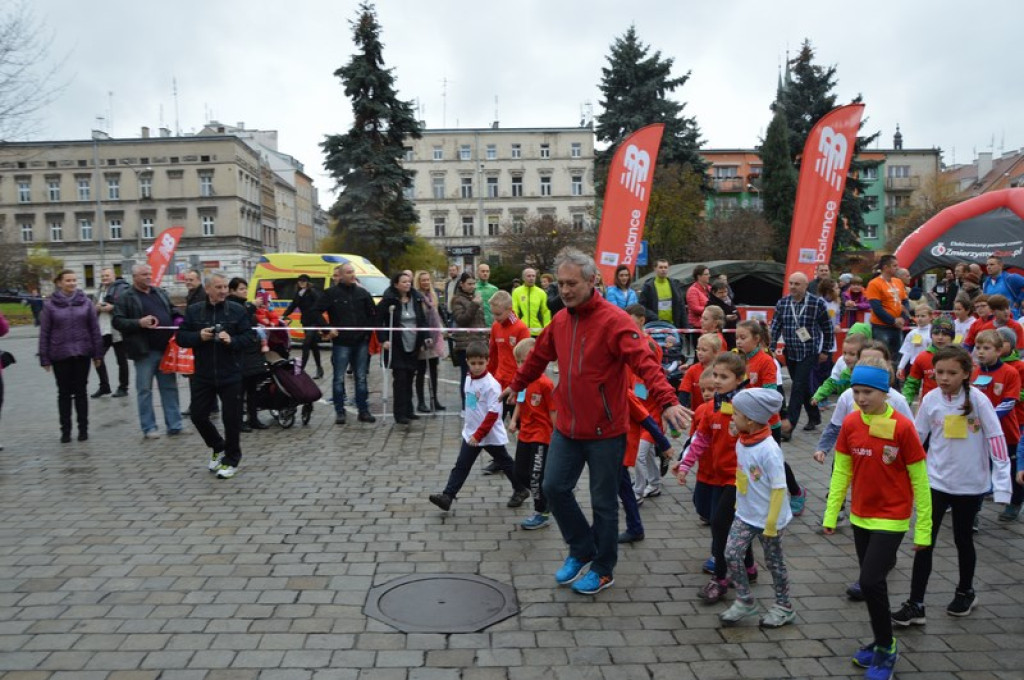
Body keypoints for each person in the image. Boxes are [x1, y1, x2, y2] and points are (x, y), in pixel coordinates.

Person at [503, 248, 690, 596]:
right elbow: (537, 355)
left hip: (606, 431)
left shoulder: (615, 321)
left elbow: (646, 363)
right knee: (553, 488)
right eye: (560, 284)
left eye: (571, 283)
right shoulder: (560, 320)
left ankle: (604, 568)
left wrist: (666, 400)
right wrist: (516, 385)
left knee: (603, 503)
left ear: (592, 281)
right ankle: (581, 548)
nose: (565, 291)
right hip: (568, 428)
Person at [823, 357, 932, 680]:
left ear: (885, 393)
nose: (861, 399)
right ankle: (881, 639)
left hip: (892, 517)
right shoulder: (852, 424)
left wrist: (923, 531)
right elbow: (841, 471)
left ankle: (886, 648)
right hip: (860, 516)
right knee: (874, 586)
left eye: (868, 392)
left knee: (870, 581)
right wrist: (831, 514)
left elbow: (920, 480)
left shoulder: (902, 426)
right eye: (856, 392)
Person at [890, 346, 1011, 627]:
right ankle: (916, 603)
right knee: (924, 542)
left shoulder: (979, 401)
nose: (944, 378)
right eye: (940, 372)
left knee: (962, 539)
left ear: (966, 373)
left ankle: (965, 591)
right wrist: (898, 472)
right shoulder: (931, 399)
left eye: (952, 373)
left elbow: (996, 439)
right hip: (935, 482)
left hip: (969, 486)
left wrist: (1002, 486)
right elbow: (917, 437)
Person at [676, 352, 757, 603]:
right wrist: (686, 464)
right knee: (733, 523)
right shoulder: (711, 409)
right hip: (718, 477)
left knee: (721, 525)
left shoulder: (750, 408)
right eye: (715, 375)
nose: (718, 381)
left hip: (741, 479)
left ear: (740, 379)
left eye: (725, 377)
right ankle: (750, 566)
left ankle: (721, 578)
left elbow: (763, 439)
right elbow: (700, 439)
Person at [718, 388, 796, 629]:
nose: (732, 417)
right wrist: (737, 502)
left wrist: (771, 524)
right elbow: (743, 474)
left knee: (774, 563)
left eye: (737, 413)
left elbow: (780, 488)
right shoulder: (743, 439)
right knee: (731, 553)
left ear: (750, 419)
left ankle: (784, 606)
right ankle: (744, 599)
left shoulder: (769, 450)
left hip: (769, 519)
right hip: (745, 514)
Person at [429, 340, 530, 511]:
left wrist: (479, 434)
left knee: (505, 462)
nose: (476, 367)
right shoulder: (469, 378)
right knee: (462, 464)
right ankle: (448, 496)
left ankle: (521, 488)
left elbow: (493, 414)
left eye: (480, 363)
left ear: (487, 361)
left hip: (488, 434)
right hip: (472, 432)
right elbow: (472, 404)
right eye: (473, 363)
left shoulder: (492, 385)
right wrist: (471, 428)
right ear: (467, 361)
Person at [176, 273, 256, 479]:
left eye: (225, 287)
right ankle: (217, 445)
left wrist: (232, 340)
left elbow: (249, 337)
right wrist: (198, 336)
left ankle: (232, 459)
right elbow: (181, 338)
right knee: (198, 415)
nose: (222, 291)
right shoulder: (194, 311)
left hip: (231, 373)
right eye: (218, 287)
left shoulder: (237, 310)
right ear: (208, 289)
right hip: (203, 374)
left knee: (231, 419)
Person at [112, 264, 184, 439]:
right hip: (144, 351)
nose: (148, 277)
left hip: (165, 348)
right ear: (135, 277)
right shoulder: (126, 296)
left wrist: (179, 319)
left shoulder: (158, 292)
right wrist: (139, 323)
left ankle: (175, 425)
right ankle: (149, 427)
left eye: (149, 274)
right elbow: (118, 321)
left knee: (170, 388)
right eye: (144, 274)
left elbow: (172, 309)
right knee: (145, 390)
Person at [39, 269, 104, 443]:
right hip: (60, 354)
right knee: (64, 393)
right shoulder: (50, 305)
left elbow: (94, 330)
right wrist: (44, 357)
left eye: (74, 280)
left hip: (82, 352)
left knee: (81, 392)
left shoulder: (86, 303)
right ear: (59, 283)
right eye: (68, 280)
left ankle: (83, 429)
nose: (72, 283)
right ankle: (65, 431)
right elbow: (44, 332)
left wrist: (98, 354)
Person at [771, 272, 834, 439]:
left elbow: (827, 329)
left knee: (797, 386)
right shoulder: (783, 303)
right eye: (791, 283)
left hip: (809, 352)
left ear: (806, 286)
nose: (792, 287)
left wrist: (825, 350)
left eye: (797, 284)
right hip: (791, 351)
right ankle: (814, 416)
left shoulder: (816, 303)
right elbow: (776, 327)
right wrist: (770, 347)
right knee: (803, 386)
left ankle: (789, 426)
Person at [314, 263, 376, 425]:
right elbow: (315, 312)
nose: (352, 275)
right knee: (338, 378)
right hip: (341, 342)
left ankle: (363, 410)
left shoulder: (362, 293)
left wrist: (366, 333)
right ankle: (340, 412)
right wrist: (327, 329)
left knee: (361, 378)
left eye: (353, 272)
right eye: (348, 272)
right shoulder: (331, 294)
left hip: (360, 342)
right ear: (340, 275)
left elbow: (372, 314)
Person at [972, 329, 1023, 522]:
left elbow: (1010, 401)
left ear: (999, 350)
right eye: (978, 347)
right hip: (978, 432)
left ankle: (1015, 501)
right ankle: (973, 511)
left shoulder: (1010, 372)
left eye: (987, 348)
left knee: (1009, 468)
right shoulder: (975, 372)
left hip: (1006, 432)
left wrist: (989, 417)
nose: (981, 352)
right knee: (979, 469)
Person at [508, 337, 556, 530]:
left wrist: (557, 435)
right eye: (518, 362)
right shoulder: (522, 382)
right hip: (525, 434)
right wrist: (513, 420)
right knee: (520, 473)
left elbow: (553, 410)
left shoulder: (546, 384)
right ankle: (547, 495)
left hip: (541, 436)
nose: (521, 366)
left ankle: (542, 512)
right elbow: (520, 401)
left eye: (524, 361)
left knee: (535, 476)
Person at [378, 272, 429, 424]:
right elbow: (378, 320)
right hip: (397, 344)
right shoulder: (389, 300)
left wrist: (426, 336)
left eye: (409, 281)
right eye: (404, 282)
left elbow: (422, 320)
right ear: (396, 284)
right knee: (400, 379)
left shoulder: (416, 298)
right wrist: (383, 339)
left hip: (413, 343)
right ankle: (399, 413)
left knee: (409, 377)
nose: (408, 284)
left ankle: (409, 409)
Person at [227, 278, 269, 431]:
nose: (244, 291)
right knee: (240, 390)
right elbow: (239, 318)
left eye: (245, 288)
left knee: (253, 389)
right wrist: (252, 306)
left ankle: (253, 418)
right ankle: (238, 421)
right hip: (241, 352)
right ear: (232, 291)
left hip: (252, 351)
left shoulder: (245, 304)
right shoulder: (232, 305)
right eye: (241, 289)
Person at [92, 268, 129, 398]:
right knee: (97, 357)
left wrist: (112, 307)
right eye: (102, 276)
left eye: (107, 275)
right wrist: (96, 308)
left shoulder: (122, 288)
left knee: (121, 360)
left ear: (114, 276)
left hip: (117, 330)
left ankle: (123, 387)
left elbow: (127, 306)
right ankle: (104, 386)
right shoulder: (99, 290)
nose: (104, 278)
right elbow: (93, 307)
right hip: (103, 329)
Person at [450, 272, 486, 409]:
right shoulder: (457, 300)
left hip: (479, 342)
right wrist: (474, 305)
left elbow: (480, 321)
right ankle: (468, 407)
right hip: (465, 345)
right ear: (462, 284)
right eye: (469, 284)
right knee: (468, 377)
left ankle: (479, 405)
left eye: (473, 283)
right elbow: (461, 319)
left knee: (480, 376)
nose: (472, 286)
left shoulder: (475, 298)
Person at [865, 255, 911, 362]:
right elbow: (877, 308)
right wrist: (893, 320)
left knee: (898, 358)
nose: (897, 268)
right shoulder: (874, 284)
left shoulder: (898, 282)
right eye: (894, 266)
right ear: (886, 267)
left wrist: (903, 318)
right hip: (881, 327)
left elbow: (905, 301)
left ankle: (896, 378)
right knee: (882, 356)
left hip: (897, 327)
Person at [414, 270, 447, 413]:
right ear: (418, 282)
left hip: (434, 338)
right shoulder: (416, 297)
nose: (426, 282)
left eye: (428, 280)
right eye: (423, 280)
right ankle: (421, 401)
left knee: (434, 371)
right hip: (422, 338)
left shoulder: (433, 296)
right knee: (421, 371)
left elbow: (438, 314)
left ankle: (434, 399)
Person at [282, 274, 324, 379]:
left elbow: (319, 304)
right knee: (314, 346)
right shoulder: (298, 293)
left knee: (306, 344)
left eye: (304, 281)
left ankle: (301, 369)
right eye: (300, 281)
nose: (301, 283)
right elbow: (293, 305)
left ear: (308, 282)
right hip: (306, 322)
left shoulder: (312, 292)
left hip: (314, 322)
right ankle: (319, 368)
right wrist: (284, 315)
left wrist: (315, 314)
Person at [679, 333, 721, 409]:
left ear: (715, 352)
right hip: (697, 412)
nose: (700, 353)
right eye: (698, 349)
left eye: (704, 350)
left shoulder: (722, 369)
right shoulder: (692, 370)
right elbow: (683, 393)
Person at [639, 259, 686, 328]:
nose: (663, 270)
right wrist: (653, 316)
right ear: (655, 269)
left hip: (673, 325)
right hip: (654, 325)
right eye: (660, 267)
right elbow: (642, 306)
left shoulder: (675, 284)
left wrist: (685, 325)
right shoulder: (648, 286)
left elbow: (681, 306)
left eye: (665, 267)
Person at [896, 305, 934, 380]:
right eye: (917, 316)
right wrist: (900, 367)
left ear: (930, 317)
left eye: (923, 316)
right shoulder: (912, 333)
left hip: (930, 366)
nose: (920, 319)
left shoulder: (934, 332)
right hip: (914, 365)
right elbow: (907, 352)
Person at [511, 268, 551, 337]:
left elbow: (546, 312)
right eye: (529, 276)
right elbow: (514, 311)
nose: (531, 278)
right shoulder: (516, 292)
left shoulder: (541, 292)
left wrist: (546, 329)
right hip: (522, 330)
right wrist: (514, 327)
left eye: (533, 276)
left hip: (538, 331)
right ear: (523, 278)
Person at [685, 265, 713, 329]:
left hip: (709, 324)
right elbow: (695, 308)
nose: (709, 276)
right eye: (706, 274)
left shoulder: (710, 288)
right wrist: (711, 310)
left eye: (709, 274)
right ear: (699, 276)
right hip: (697, 325)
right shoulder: (692, 290)